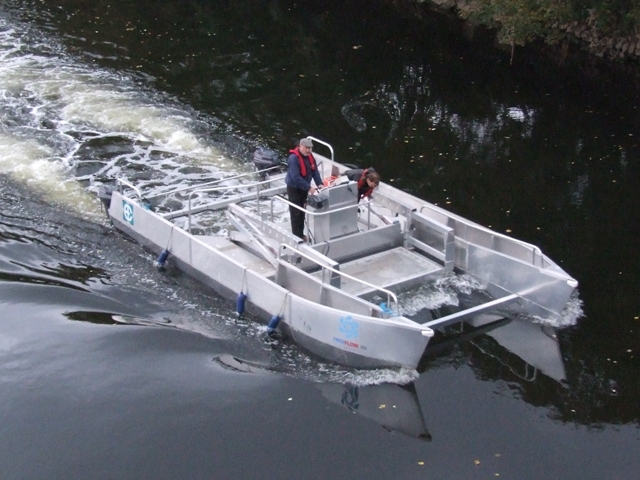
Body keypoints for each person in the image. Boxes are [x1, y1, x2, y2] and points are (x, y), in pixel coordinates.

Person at [285, 137, 323, 240]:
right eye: (307, 148)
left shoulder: (310, 156)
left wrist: (319, 183)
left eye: (310, 148)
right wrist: (309, 188)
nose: (308, 150)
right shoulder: (293, 159)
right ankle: (296, 236)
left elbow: (314, 171)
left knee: (302, 211)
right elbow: (295, 177)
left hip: (303, 188)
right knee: (296, 212)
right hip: (294, 188)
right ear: (300, 146)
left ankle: (301, 234)